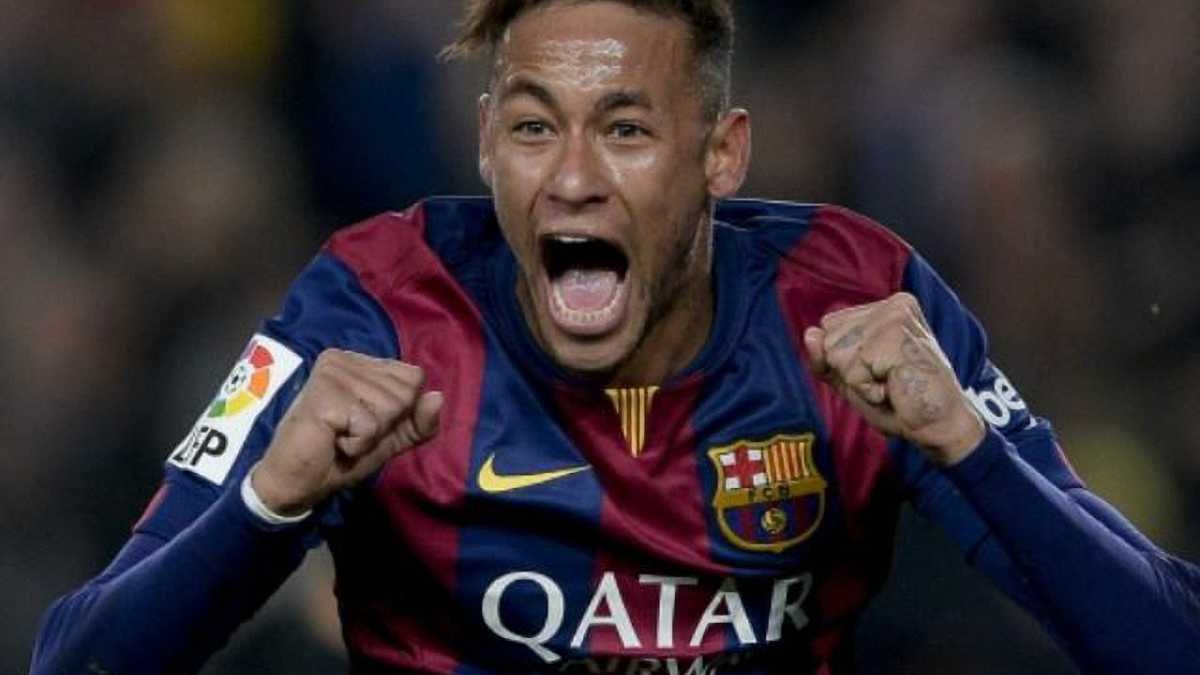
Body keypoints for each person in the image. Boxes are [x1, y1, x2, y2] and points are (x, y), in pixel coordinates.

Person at [29, 1, 1200, 674]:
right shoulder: (368, 306)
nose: (575, 179)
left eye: (627, 130)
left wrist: (971, 452)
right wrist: (266, 504)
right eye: (535, 128)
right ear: (486, 145)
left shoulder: (859, 299)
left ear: (722, 155)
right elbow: (77, 655)